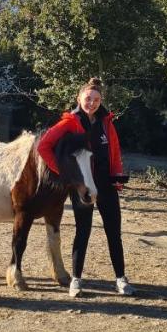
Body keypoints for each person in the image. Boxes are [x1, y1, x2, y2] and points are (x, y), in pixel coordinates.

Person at [36, 77, 133, 298]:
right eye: (88, 98)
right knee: (83, 231)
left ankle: (120, 279)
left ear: (101, 101)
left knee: (113, 233)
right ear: (79, 98)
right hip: (83, 186)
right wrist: (65, 173)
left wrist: (117, 176)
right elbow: (44, 147)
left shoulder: (107, 122)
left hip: (107, 184)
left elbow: (115, 152)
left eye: (96, 99)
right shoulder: (69, 122)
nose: (92, 102)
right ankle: (76, 280)